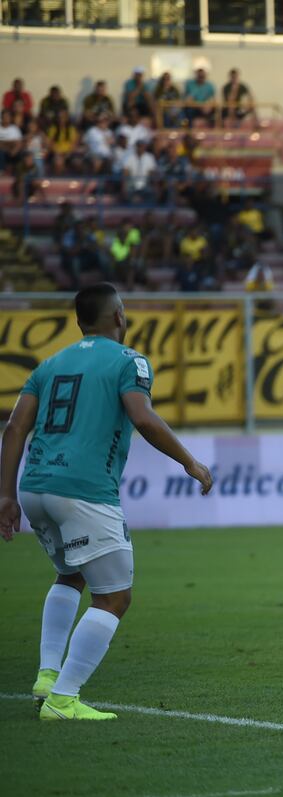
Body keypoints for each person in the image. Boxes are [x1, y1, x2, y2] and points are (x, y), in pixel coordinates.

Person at [0, 283, 214, 721]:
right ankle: (63, 698)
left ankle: (46, 674)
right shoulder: (129, 361)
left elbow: (15, 428)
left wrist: (5, 494)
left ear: (80, 322)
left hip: (35, 486)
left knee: (70, 574)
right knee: (114, 598)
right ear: (118, 316)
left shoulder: (49, 364)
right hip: (83, 490)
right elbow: (141, 415)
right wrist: (190, 461)